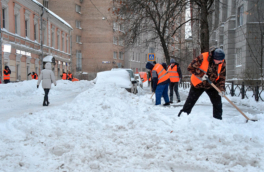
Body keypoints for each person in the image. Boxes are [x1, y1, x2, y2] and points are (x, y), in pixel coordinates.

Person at [178, 48, 226, 120]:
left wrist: (221, 89)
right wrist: (201, 75)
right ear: (213, 57)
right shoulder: (203, 57)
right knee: (190, 101)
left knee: (217, 103)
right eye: (218, 60)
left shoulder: (222, 62)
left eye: (221, 60)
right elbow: (190, 67)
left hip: (211, 85)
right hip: (198, 84)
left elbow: (222, 76)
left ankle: (218, 120)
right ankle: (182, 117)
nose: (219, 62)